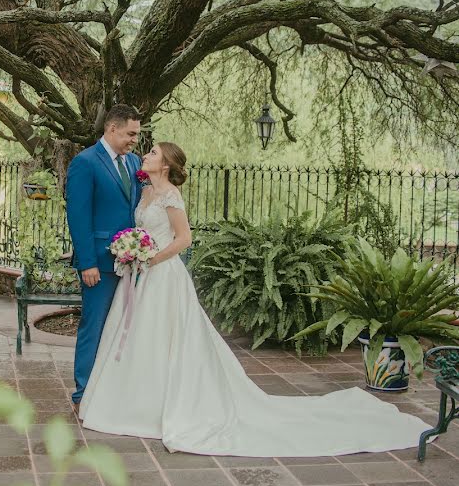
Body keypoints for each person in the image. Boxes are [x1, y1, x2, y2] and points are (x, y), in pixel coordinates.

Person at [79, 141, 433, 456]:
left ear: (167, 164)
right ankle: (135, 401)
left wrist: (151, 258)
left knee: (164, 337)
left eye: (153, 152)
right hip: (141, 276)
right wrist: (133, 250)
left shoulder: (171, 195)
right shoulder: (144, 192)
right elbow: (141, 229)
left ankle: (162, 403)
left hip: (163, 275)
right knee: (137, 336)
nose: (146, 153)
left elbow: (184, 239)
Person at [65, 104, 142, 417]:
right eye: (131, 133)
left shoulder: (134, 162)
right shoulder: (85, 163)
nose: (135, 140)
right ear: (112, 128)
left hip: (132, 261)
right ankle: (82, 393)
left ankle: (113, 389)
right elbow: (78, 216)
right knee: (94, 326)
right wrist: (87, 263)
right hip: (98, 262)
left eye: (138, 134)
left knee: (122, 328)